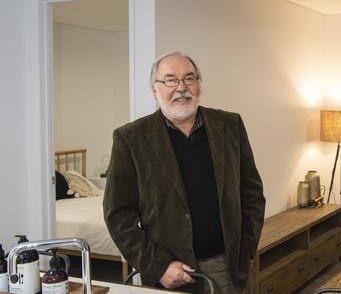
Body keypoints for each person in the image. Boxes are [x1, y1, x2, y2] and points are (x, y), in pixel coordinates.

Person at [104, 52, 265, 294]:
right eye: (170, 80)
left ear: (199, 85)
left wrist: (246, 249)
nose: (181, 88)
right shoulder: (130, 138)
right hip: (171, 274)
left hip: (226, 266)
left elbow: (251, 192)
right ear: (154, 90)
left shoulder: (230, 125)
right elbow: (118, 216)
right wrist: (158, 267)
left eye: (189, 78)